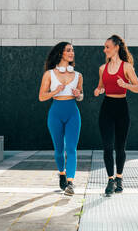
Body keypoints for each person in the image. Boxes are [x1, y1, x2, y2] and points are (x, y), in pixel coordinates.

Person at [94, 35, 138, 195]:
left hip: (122, 108)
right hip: (106, 107)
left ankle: (119, 178)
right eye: (104, 47)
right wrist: (98, 90)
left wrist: (126, 85)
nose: (104, 49)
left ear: (116, 47)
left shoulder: (127, 67)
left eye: (107, 46)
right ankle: (110, 180)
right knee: (107, 147)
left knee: (120, 147)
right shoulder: (102, 68)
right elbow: (100, 87)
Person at [39, 42, 83, 196]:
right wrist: (55, 91)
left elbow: (81, 96)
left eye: (73, 50)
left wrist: (79, 95)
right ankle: (62, 173)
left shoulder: (78, 75)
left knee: (71, 149)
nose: (72, 53)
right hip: (55, 113)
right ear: (61, 53)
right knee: (59, 150)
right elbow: (41, 97)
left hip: (73, 113)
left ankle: (70, 183)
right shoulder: (49, 74)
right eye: (68, 50)